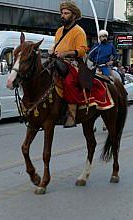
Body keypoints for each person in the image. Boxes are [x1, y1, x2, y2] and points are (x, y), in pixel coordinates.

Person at [54, 0, 88, 128]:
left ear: (74, 15)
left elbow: (82, 50)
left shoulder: (79, 31)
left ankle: (72, 115)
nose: (63, 15)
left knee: (69, 82)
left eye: (66, 13)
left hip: (73, 63)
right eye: (62, 13)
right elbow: (56, 46)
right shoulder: (58, 31)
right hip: (57, 61)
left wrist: (66, 53)